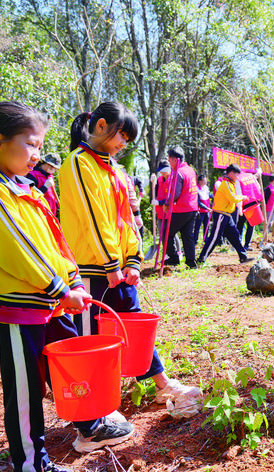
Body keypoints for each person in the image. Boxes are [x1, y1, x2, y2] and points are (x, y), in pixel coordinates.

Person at [0, 101, 130, 472]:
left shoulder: (25, 188)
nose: (38, 154)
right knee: (26, 390)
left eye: (40, 146)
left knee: (69, 367)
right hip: (19, 309)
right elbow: (18, 251)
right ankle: (31, 463)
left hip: (48, 303)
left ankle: (90, 425)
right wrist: (60, 289)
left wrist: (71, 282)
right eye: (31, 144)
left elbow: (55, 242)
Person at [60, 101, 202, 421]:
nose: (124, 143)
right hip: (93, 270)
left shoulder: (113, 169)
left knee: (133, 327)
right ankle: (92, 408)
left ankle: (161, 384)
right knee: (92, 338)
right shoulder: (79, 164)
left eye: (127, 138)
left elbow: (127, 220)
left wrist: (135, 261)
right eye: (121, 135)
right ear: (100, 127)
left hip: (120, 268)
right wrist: (111, 264)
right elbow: (93, 220)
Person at [197, 164, 255, 264]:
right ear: (231, 173)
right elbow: (233, 198)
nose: (238, 177)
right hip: (221, 214)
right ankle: (201, 259)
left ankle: (243, 257)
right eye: (237, 175)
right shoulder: (226, 184)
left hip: (227, 215)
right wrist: (243, 197)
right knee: (215, 238)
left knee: (235, 236)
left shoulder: (230, 183)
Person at [158, 146, 198, 269]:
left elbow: (176, 193)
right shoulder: (190, 170)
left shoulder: (179, 173)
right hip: (192, 208)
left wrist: (166, 204)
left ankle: (174, 258)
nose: (169, 164)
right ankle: (191, 263)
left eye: (169, 161)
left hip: (181, 209)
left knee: (166, 232)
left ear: (175, 160)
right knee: (187, 236)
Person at [26, 152, 61, 216]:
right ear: (45, 163)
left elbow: (52, 195)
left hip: (51, 213)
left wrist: (58, 206)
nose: (53, 170)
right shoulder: (32, 175)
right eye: (51, 167)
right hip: (40, 213)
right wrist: (45, 186)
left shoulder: (50, 176)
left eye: (55, 168)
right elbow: (32, 197)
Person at [236, 170, 264, 251]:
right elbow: (258, 187)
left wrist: (240, 208)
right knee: (251, 224)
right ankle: (247, 245)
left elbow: (239, 193)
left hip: (245, 203)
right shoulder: (251, 176)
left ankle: (238, 244)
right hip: (254, 202)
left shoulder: (238, 178)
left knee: (240, 224)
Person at [194, 175, 212, 244]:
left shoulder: (206, 188)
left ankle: (206, 239)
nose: (206, 182)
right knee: (197, 226)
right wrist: (205, 207)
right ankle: (195, 240)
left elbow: (208, 195)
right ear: (200, 181)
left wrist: (213, 195)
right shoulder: (196, 189)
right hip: (200, 211)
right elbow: (198, 202)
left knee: (207, 226)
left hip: (207, 210)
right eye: (204, 180)